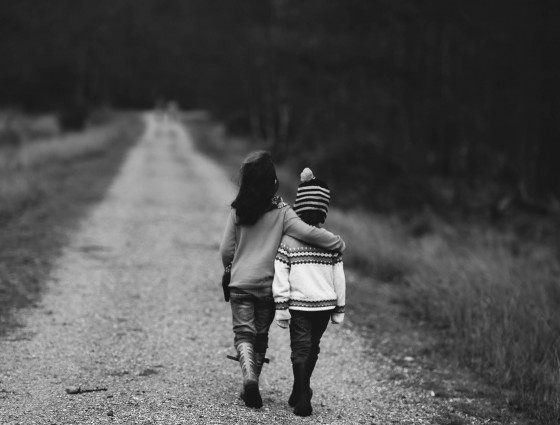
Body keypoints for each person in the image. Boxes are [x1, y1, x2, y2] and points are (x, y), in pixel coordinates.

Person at [219, 152, 345, 409]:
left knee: (243, 333)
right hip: (268, 286)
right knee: (260, 336)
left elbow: (226, 250)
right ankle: (253, 380)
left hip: (240, 284)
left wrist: (231, 269)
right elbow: (309, 233)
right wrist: (337, 243)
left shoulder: (237, 211)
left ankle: (250, 378)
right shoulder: (283, 212)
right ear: (273, 182)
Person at [272, 167, 346, 417]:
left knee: (300, 349)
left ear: (299, 207)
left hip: (299, 305)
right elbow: (339, 278)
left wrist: (281, 307)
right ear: (324, 210)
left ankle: (302, 395)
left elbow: (280, 274)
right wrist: (339, 308)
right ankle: (300, 389)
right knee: (313, 347)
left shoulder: (288, 241)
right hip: (324, 305)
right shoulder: (330, 242)